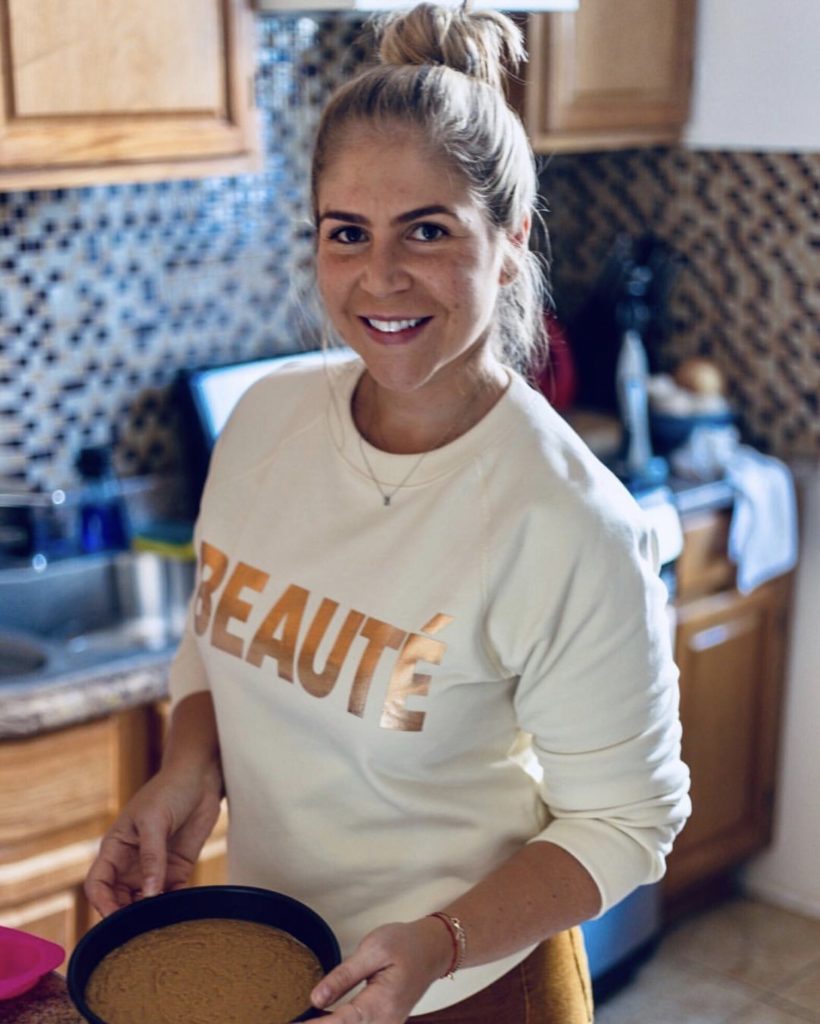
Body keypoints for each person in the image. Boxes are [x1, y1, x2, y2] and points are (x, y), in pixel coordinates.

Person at [84, 4, 690, 1022]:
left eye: (428, 230)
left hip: (469, 986)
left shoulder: (568, 520)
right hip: (271, 964)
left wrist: (440, 942)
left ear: (509, 242)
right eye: (347, 234)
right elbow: (213, 643)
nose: (381, 276)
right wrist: (189, 767)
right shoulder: (264, 424)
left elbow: (630, 820)